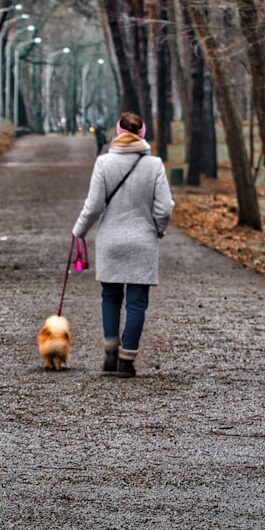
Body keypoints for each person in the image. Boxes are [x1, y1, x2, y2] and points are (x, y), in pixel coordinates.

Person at [72, 112, 174, 378]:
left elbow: (93, 206)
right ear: (142, 134)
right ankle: (127, 360)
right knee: (137, 302)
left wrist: (79, 231)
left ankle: (110, 349)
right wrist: (158, 230)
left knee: (110, 296)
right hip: (143, 240)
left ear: (118, 133)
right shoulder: (154, 165)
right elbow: (164, 208)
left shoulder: (104, 163)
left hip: (111, 240)